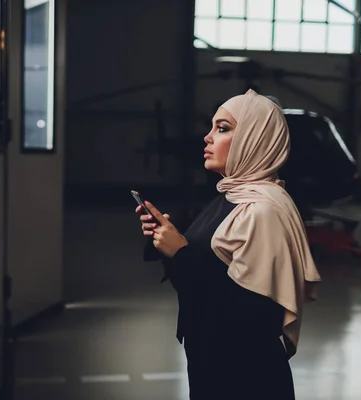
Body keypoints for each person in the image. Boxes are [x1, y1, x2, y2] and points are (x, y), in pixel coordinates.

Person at [135, 89, 322, 399]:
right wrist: (166, 240)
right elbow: (202, 279)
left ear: (254, 139)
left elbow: (254, 316)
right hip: (210, 361)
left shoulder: (264, 210)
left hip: (245, 376)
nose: (207, 138)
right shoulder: (230, 197)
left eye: (222, 128)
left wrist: (179, 253)